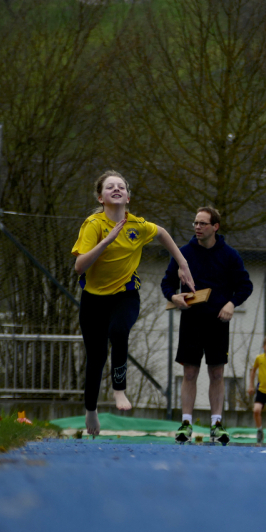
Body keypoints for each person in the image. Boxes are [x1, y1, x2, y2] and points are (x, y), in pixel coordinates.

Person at [72, 171, 194, 438]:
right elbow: (79, 266)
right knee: (96, 358)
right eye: (110, 187)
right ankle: (91, 409)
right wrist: (106, 241)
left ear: (128, 197)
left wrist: (182, 264)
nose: (116, 189)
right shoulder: (93, 225)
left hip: (125, 295)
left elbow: (162, 233)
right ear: (100, 197)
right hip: (93, 300)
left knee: (119, 330)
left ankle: (119, 389)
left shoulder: (137, 225)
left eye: (121, 186)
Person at [162, 206, 253, 444]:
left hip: (218, 323)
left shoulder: (230, 255)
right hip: (191, 321)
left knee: (217, 373)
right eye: (195, 223)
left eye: (203, 223)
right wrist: (173, 297)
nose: (198, 227)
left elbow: (245, 286)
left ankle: (216, 425)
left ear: (215, 227)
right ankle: (186, 424)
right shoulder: (183, 254)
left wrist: (232, 304)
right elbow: (167, 283)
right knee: (190, 372)